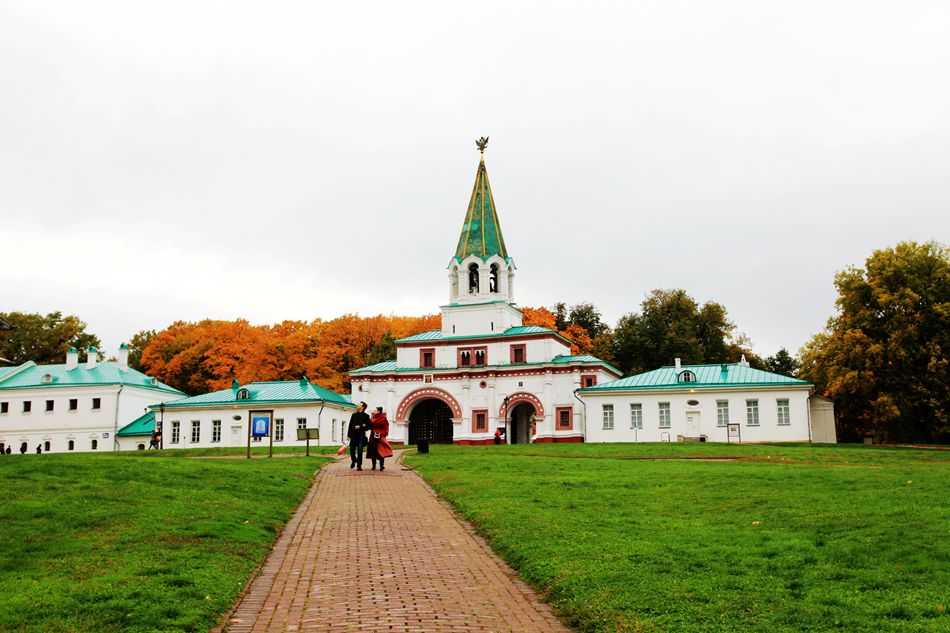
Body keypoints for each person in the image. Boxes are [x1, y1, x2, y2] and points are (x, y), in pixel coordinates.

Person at [366, 406, 394, 471]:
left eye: (375, 410)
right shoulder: (373, 417)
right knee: (373, 450)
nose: (374, 411)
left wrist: (383, 433)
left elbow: (386, 426)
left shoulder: (383, 418)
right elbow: (369, 425)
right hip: (373, 436)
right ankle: (373, 466)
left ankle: (382, 465)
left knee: (381, 450)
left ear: (378, 411)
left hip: (380, 436)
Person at [347, 402, 370, 470]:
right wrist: (348, 435)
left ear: (362, 407)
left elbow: (368, 426)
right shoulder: (353, 415)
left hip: (361, 436)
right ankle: (354, 460)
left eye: (359, 404)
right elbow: (350, 425)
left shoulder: (366, 416)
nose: (358, 405)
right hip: (353, 435)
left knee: (360, 451)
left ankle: (359, 466)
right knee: (352, 450)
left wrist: (361, 427)